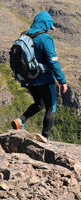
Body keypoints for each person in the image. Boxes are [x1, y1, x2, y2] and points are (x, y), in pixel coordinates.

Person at [11, 11, 67, 142]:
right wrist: (62, 81)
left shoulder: (24, 35)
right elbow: (53, 61)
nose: (49, 29)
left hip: (28, 79)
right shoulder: (45, 38)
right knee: (51, 107)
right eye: (49, 27)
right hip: (44, 80)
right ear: (45, 24)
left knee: (38, 104)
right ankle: (45, 137)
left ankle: (21, 120)